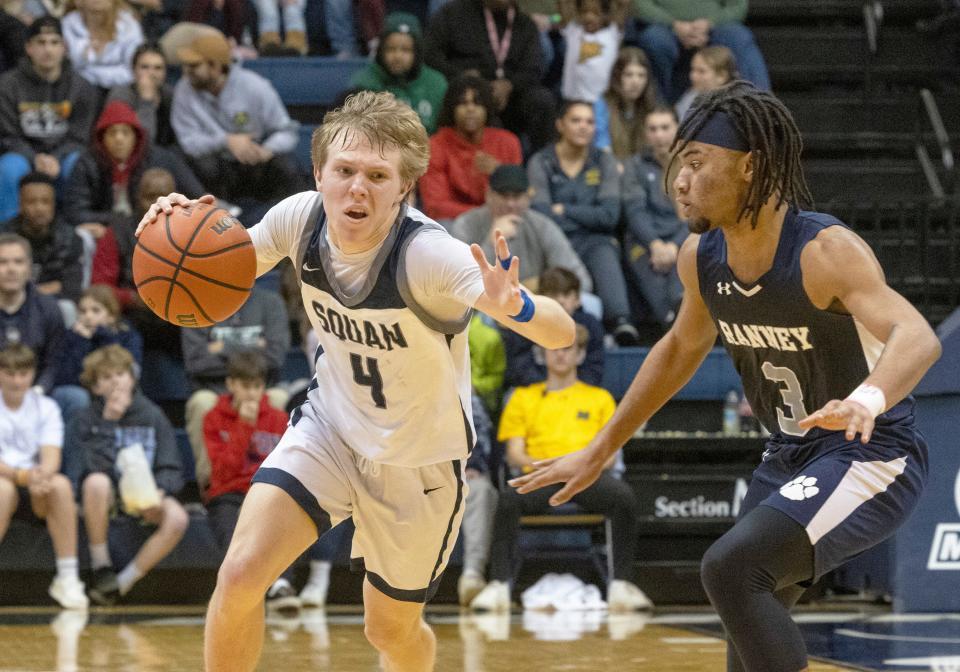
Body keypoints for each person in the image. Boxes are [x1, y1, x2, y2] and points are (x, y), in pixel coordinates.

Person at [136, 90, 574, 672]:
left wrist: (516, 305)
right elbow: (222, 265)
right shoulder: (298, 219)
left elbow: (562, 331)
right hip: (332, 430)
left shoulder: (429, 257)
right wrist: (169, 228)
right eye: (343, 171)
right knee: (240, 575)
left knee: (388, 631)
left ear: (403, 188)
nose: (357, 188)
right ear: (319, 173)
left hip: (417, 463)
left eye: (376, 175)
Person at [511, 81, 942, 672]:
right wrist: (600, 446)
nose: (679, 182)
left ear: (750, 167)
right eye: (676, 165)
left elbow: (917, 335)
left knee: (730, 568)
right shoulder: (701, 258)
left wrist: (869, 397)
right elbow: (679, 350)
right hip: (790, 454)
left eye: (695, 163)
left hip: (870, 453)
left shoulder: (822, 251)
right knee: (746, 638)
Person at [470, 324, 650, 611]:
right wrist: (553, 466)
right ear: (542, 355)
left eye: (568, 349)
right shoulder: (522, 398)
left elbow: (611, 456)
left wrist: (579, 466)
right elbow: (515, 454)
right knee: (507, 499)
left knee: (623, 498)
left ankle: (622, 586)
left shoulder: (599, 398)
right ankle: (498, 586)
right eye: (553, 349)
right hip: (541, 476)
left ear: (580, 355)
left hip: (587, 476)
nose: (561, 356)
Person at [73, 344, 188, 605]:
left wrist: (159, 491)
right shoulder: (87, 417)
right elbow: (91, 467)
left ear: (132, 377)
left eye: (120, 374)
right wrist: (109, 420)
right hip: (107, 498)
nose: (115, 381)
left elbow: (171, 466)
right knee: (96, 483)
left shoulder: (152, 414)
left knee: (178, 518)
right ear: (95, 387)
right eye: (106, 377)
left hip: (145, 494)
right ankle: (102, 567)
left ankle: (122, 583)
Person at [202, 350, 307, 611]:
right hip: (229, 493)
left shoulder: (279, 420)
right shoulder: (213, 419)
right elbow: (224, 470)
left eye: (257, 386)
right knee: (231, 530)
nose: (251, 393)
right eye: (245, 386)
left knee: (286, 521)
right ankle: (241, 588)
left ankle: (281, 584)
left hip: (266, 491)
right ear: (231, 385)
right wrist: (244, 426)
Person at [528, 100, 639, 344]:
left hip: (593, 239)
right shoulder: (541, 162)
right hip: (553, 239)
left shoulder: (604, 161)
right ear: (560, 125)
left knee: (605, 247)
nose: (584, 127)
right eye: (576, 120)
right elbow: (541, 214)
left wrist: (564, 209)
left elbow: (610, 216)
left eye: (590, 122)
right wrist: (587, 215)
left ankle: (621, 322)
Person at [170, 30, 306, 207]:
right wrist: (227, 141)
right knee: (193, 162)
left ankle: (291, 218)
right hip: (217, 165)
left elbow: (287, 131)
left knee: (287, 164)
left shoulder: (254, 87)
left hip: (255, 160)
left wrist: (267, 150)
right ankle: (208, 215)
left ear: (216, 66)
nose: (186, 71)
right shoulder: (184, 89)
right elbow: (188, 142)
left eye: (194, 65)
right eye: (186, 65)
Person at [0, 343, 89, 609]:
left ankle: (68, 577)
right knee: (2, 490)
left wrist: (42, 476)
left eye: (23, 373)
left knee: (60, 485)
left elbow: (52, 455)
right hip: (7, 481)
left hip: (36, 486)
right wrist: (22, 476)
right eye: (9, 373)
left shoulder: (46, 406)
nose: (17, 380)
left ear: (33, 375)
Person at [182, 286, 290, 493]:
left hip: (260, 387)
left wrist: (220, 348)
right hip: (215, 389)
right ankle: (211, 484)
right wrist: (254, 347)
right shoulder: (198, 302)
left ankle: (279, 483)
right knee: (201, 402)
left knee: (280, 398)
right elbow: (196, 361)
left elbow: (275, 357)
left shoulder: (270, 301)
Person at [423, 0, 557, 152]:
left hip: (511, 96)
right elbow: (430, 55)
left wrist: (510, 85)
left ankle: (542, 165)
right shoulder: (451, 14)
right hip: (465, 93)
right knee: (471, 102)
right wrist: (460, 75)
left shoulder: (524, 24)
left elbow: (533, 68)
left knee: (542, 101)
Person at [0, 16, 98, 222]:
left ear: (64, 47)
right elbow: (7, 135)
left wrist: (56, 157)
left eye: (54, 42)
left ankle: (73, 229)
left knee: (77, 163)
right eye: (41, 42)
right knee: (8, 167)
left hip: (63, 156)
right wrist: (34, 157)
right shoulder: (7, 86)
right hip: (22, 156)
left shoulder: (82, 87)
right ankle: (8, 233)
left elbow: (80, 137)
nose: (48, 50)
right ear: (29, 47)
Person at [66, 100, 205, 244]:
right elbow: (75, 211)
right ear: (102, 138)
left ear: (136, 137)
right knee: (83, 235)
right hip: (106, 232)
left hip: (155, 225)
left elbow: (196, 195)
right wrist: (114, 225)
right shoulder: (87, 164)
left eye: (125, 132)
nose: (119, 139)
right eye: (112, 133)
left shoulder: (161, 159)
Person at [450, 164, 592, 292]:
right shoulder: (466, 224)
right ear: (489, 195)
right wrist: (492, 243)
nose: (511, 203)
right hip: (484, 308)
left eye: (517, 196)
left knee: (590, 304)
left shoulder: (542, 226)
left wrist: (542, 285)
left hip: (533, 304)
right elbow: (460, 283)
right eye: (504, 196)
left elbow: (582, 281)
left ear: (527, 197)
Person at [419, 75, 522, 223]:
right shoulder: (435, 145)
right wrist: (484, 215)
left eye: (477, 103)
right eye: (463, 103)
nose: (470, 109)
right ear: (452, 109)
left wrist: (500, 172)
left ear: (487, 108)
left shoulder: (508, 142)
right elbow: (435, 207)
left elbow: (519, 198)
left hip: (502, 221)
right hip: (454, 224)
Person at [622, 105, 686, 328]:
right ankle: (670, 318)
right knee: (655, 283)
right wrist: (655, 244)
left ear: (678, 128)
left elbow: (696, 215)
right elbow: (635, 210)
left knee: (681, 280)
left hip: (684, 238)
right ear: (645, 133)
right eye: (653, 129)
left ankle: (678, 314)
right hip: (645, 240)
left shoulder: (691, 164)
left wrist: (674, 246)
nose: (659, 135)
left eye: (665, 128)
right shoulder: (635, 166)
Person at [633, 0, 769, 102]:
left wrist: (710, 23)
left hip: (714, 28)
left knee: (739, 36)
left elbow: (738, 6)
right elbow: (639, 5)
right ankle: (658, 110)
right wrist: (674, 24)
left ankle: (760, 105)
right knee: (654, 39)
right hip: (666, 29)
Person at [52, 284, 142, 422]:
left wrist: (104, 336)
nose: (88, 316)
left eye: (95, 310)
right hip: (82, 391)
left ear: (111, 315)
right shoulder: (70, 336)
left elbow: (129, 369)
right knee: (77, 397)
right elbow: (65, 378)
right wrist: (81, 341)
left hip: (114, 387)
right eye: (83, 311)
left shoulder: (127, 335)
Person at [502, 266, 604, 388]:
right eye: (553, 295)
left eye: (566, 294)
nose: (560, 300)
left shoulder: (590, 324)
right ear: (540, 298)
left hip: (579, 392)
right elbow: (519, 365)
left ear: (577, 299)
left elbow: (594, 367)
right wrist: (549, 390)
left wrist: (571, 390)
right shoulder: (525, 322)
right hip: (533, 391)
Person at [349, 12, 448, 134]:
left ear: (417, 52)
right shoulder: (364, 84)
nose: (398, 56)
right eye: (391, 49)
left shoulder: (436, 84)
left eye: (406, 50)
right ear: (381, 51)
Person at [0, 172, 85, 304]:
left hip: (52, 307)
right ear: (20, 205)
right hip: (7, 305)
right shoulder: (3, 236)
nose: (39, 208)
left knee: (67, 307)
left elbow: (72, 290)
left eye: (45, 202)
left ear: (53, 205)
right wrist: (52, 287)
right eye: (31, 202)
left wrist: (23, 292)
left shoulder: (70, 238)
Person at [0, 233, 66, 394]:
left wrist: (37, 391)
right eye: (3, 262)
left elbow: (54, 362)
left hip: (37, 393)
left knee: (74, 398)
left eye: (18, 262)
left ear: (29, 268)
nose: (11, 269)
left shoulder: (49, 308)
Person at [105, 42, 176, 147]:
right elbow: (140, 144)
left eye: (158, 68)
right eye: (144, 67)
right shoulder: (120, 96)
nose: (151, 73)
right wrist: (146, 101)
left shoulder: (170, 95)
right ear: (134, 70)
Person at [61, 0, 144, 90]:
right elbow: (69, 66)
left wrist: (91, 73)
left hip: (122, 88)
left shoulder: (129, 26)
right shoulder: (68, 25)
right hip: (77, 88)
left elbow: (133, 69)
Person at [594, 46, 658, 161]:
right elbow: (602, 146)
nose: (635, 82)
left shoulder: (650, 106)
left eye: (641, 75)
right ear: (617, 77)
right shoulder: (602, 105)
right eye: (629, 75)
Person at [559, 0, 629, 103]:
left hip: (603, 100)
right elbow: (562, 8)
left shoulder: (612, 33)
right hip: (574, 98)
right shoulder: (573, 31)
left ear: (606, 15)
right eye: (584, 12)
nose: (589, 17)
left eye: (596, 13)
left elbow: (623, 6)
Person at [674, 45, 737, 123]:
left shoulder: (734, 106)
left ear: (721, 76)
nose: (693, 76)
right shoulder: (691, 95)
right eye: (693, 69)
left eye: (701, 71)